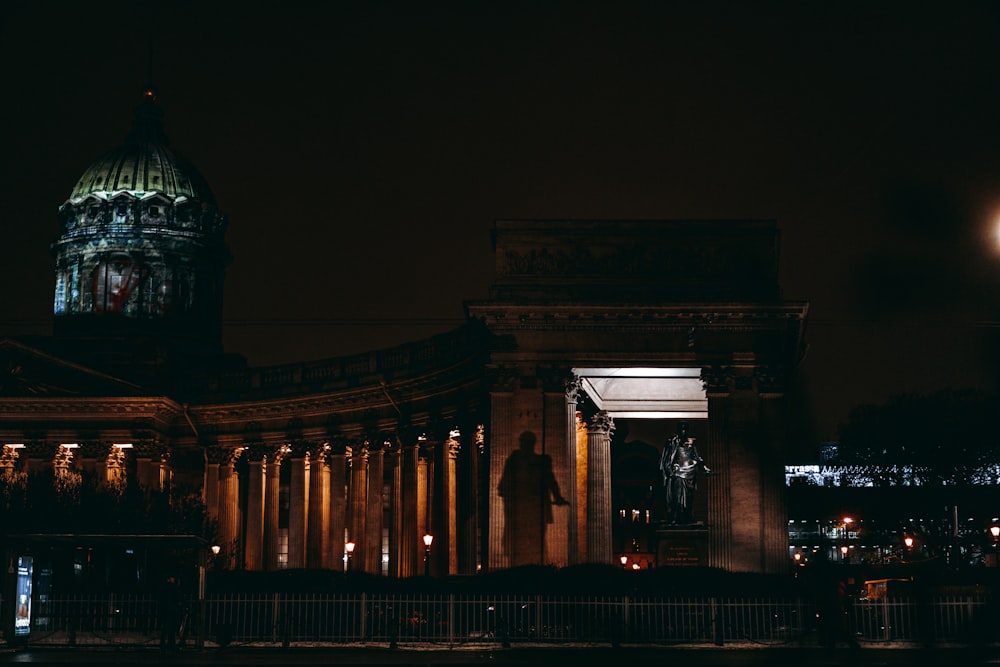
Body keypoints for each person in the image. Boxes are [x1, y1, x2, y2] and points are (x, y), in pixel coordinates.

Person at [659, 422, 711, 525]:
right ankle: (677, 518)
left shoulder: (691, 443)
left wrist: (704, 468)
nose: (683, 431)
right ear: (678, 430)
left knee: (689, 499)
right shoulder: (672, 442)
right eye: (681, 429)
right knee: (678, 497)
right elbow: (667, 459)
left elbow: (698, 458)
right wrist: (670, 471)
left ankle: (686, 518)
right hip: (678, 474)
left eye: (685, 429)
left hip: (690, 474)